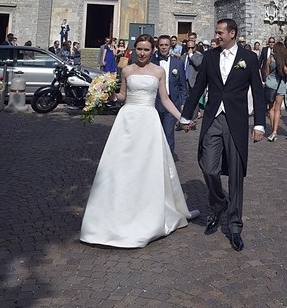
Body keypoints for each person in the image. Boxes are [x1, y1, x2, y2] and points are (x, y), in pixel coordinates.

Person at [80, 34, 198, 248]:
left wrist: (182, 118)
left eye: (146, 49)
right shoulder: (126, 70)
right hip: (127, 120)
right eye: (139, 49)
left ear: (153, 50)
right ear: (134, 50)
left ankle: (147, 212)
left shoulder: (159, 71)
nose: (142, 53)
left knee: (146, 166)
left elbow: (164, 99)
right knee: (121, 166)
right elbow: (123, 95)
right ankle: (112, 213)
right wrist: (110, 96)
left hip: (148, 121)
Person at [180, 18, 265, 252]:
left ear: (232, 34)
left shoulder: (249, 58)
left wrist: (259, 124)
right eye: (216, 32)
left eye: (219, 33)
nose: (216, 36)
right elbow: (197, 88)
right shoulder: (210, 57)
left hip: (236, 122)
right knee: (208, 167)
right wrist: (186, 115)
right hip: (212, 119)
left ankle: (235, 226)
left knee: (236, 176)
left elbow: (257, 93)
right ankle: (218, 203)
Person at [152, 34, 188, 155]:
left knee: (168, 133)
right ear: (158, 46)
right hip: (155, 102)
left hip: (171, 103)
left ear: (170, 46)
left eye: (166, 45)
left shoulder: (177, 63)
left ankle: (168, 159)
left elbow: (183, 85)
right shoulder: (151, 62)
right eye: (161, 45)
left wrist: (183, 104)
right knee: (155, 133)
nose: (163, 47)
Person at [264, 40, 287, 141]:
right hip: (281, 85)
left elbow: (266, 72)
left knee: (271, 108)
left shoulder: (270, 59)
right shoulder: (284, 60)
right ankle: (275, 131)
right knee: (278, 109)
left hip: (271, 85)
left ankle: (272, 128)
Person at [180, 38, 203, 129]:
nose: (190, 49)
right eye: (188, 47)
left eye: (192, 47)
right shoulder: (183, 56)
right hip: (183, 81)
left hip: (193, 81)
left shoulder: (199, 56)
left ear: (195, 47)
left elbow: (197, 64)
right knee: (183, 101)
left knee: (194, 102)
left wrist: (191, 55)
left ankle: (193, 121)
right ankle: (183, 120)